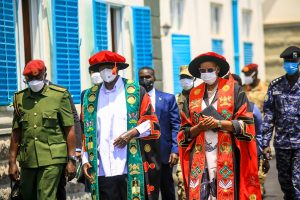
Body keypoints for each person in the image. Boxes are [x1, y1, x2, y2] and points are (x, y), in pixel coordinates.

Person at [178, 52, 261, 200]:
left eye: (209, 70)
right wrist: (199, 127)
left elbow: (247, 124)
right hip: (200, 154)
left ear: (217, 69)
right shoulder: (192, 95)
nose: (206, 73)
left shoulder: (235, 91)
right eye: (202, 71)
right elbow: (183, 132)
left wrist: (219, 123)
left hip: (227, 152)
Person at [81, 50, 161, 200]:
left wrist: (131, 133)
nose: (105, 71)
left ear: (117, 67)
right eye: (101, 67)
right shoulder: (89, 96)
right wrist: (85, 159)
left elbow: (152, 123)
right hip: (102, 168)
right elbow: (86, 131)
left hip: (128, 167)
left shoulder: (136, 91)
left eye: (109, 66)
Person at [8, 60, 77, 199]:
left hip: (53, 158)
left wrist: (72, 160)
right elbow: (16, 132)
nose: (34, 82)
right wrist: (12, 162)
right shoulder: (19, 98)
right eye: (30, 79)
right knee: (27, 195)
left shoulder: (59, 95)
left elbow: (69, 129)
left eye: (37, 78)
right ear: (25, 79)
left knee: (46, 195)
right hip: (28, 159)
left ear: (44, 74)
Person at [262, 46, 300, 200]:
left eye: (293, 61)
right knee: (285, 182)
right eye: (287, 61)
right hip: (282, 143)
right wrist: (265, 144)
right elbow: (269, 116)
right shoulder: (275, 85)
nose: (290, 64)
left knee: (298, 182)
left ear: (298, 62)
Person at [138, 67, 180, 200]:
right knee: (147, 191)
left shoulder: (168, 98)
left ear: (154, 78)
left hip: (164, 153)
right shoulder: (134, 101)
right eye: (141, 77)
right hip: (142, 153)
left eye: (148, 77)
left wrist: (175, 149)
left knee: (167, 189)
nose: (145, 80)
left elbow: (176, 125)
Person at [175, 65, 195, 200]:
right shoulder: (176, 100)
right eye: (182, 77)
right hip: (183, 144)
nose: (185, 80)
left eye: (187, 77)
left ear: (193, 78)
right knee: (182, 179)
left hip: (199, 144)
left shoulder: (201, 96)